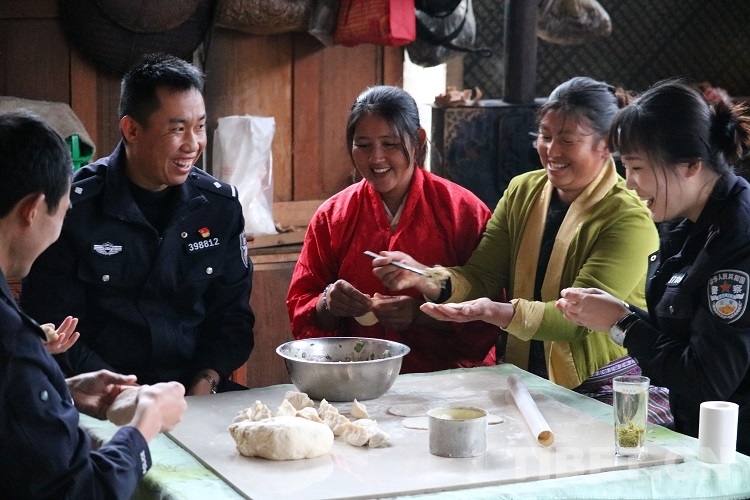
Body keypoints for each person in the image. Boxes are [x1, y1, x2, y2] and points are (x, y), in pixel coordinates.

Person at [373, 77, 672, 424]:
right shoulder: (523, 191)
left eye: (567, 140)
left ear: (605, 145)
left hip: (606, 386)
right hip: (524, 380)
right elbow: (482, 275)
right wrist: (425, 277)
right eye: (545, 136)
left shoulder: (628, 217)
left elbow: (578, 318)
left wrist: (494, 311)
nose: (552, 151)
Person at [20, 53, 255, 395]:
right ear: (131, 129)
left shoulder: (220, 207)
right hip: (100, 395)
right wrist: (128, 394)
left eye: (200, 127)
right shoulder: (72, 208)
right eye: (177, 129)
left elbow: (233, 318)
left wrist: (206, 380)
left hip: (196, 394)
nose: (193, 145)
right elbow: (53, 326)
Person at [556, 79, 750, 455]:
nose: (630, 184)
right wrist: (620, 314)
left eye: (637, 167)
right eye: (625, 167)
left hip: (736, 455)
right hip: (699, 438)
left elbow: (708, 381)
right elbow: (686, 333)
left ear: (691, 165)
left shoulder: (736, 240)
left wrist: (623, 325)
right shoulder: (688, 221)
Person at [0, 110, 187, 498]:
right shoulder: (14, 342)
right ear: (32, 209)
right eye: (64, 210)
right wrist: (144, 425)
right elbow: (82, 491)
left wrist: (61, 391)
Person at [286, 85, 500, 373]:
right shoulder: (333, 216)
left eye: (390, 144)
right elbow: (301, 304)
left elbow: (491, 310)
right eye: (363, 145)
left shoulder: (462, 210)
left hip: (446, 380)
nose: (376, 158)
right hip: (357, 378)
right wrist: (328, 302)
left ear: (418, 140)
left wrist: (420, 315)